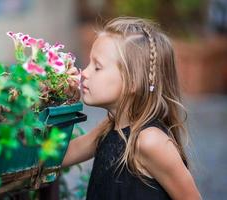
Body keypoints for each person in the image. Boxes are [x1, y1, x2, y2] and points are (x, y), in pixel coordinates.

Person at [63, 17, 201, 200]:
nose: (85, 72)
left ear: (133, 81)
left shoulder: (149, 141)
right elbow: (59, 157)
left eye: (97, 67)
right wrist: (63, 100)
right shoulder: (108, 129)